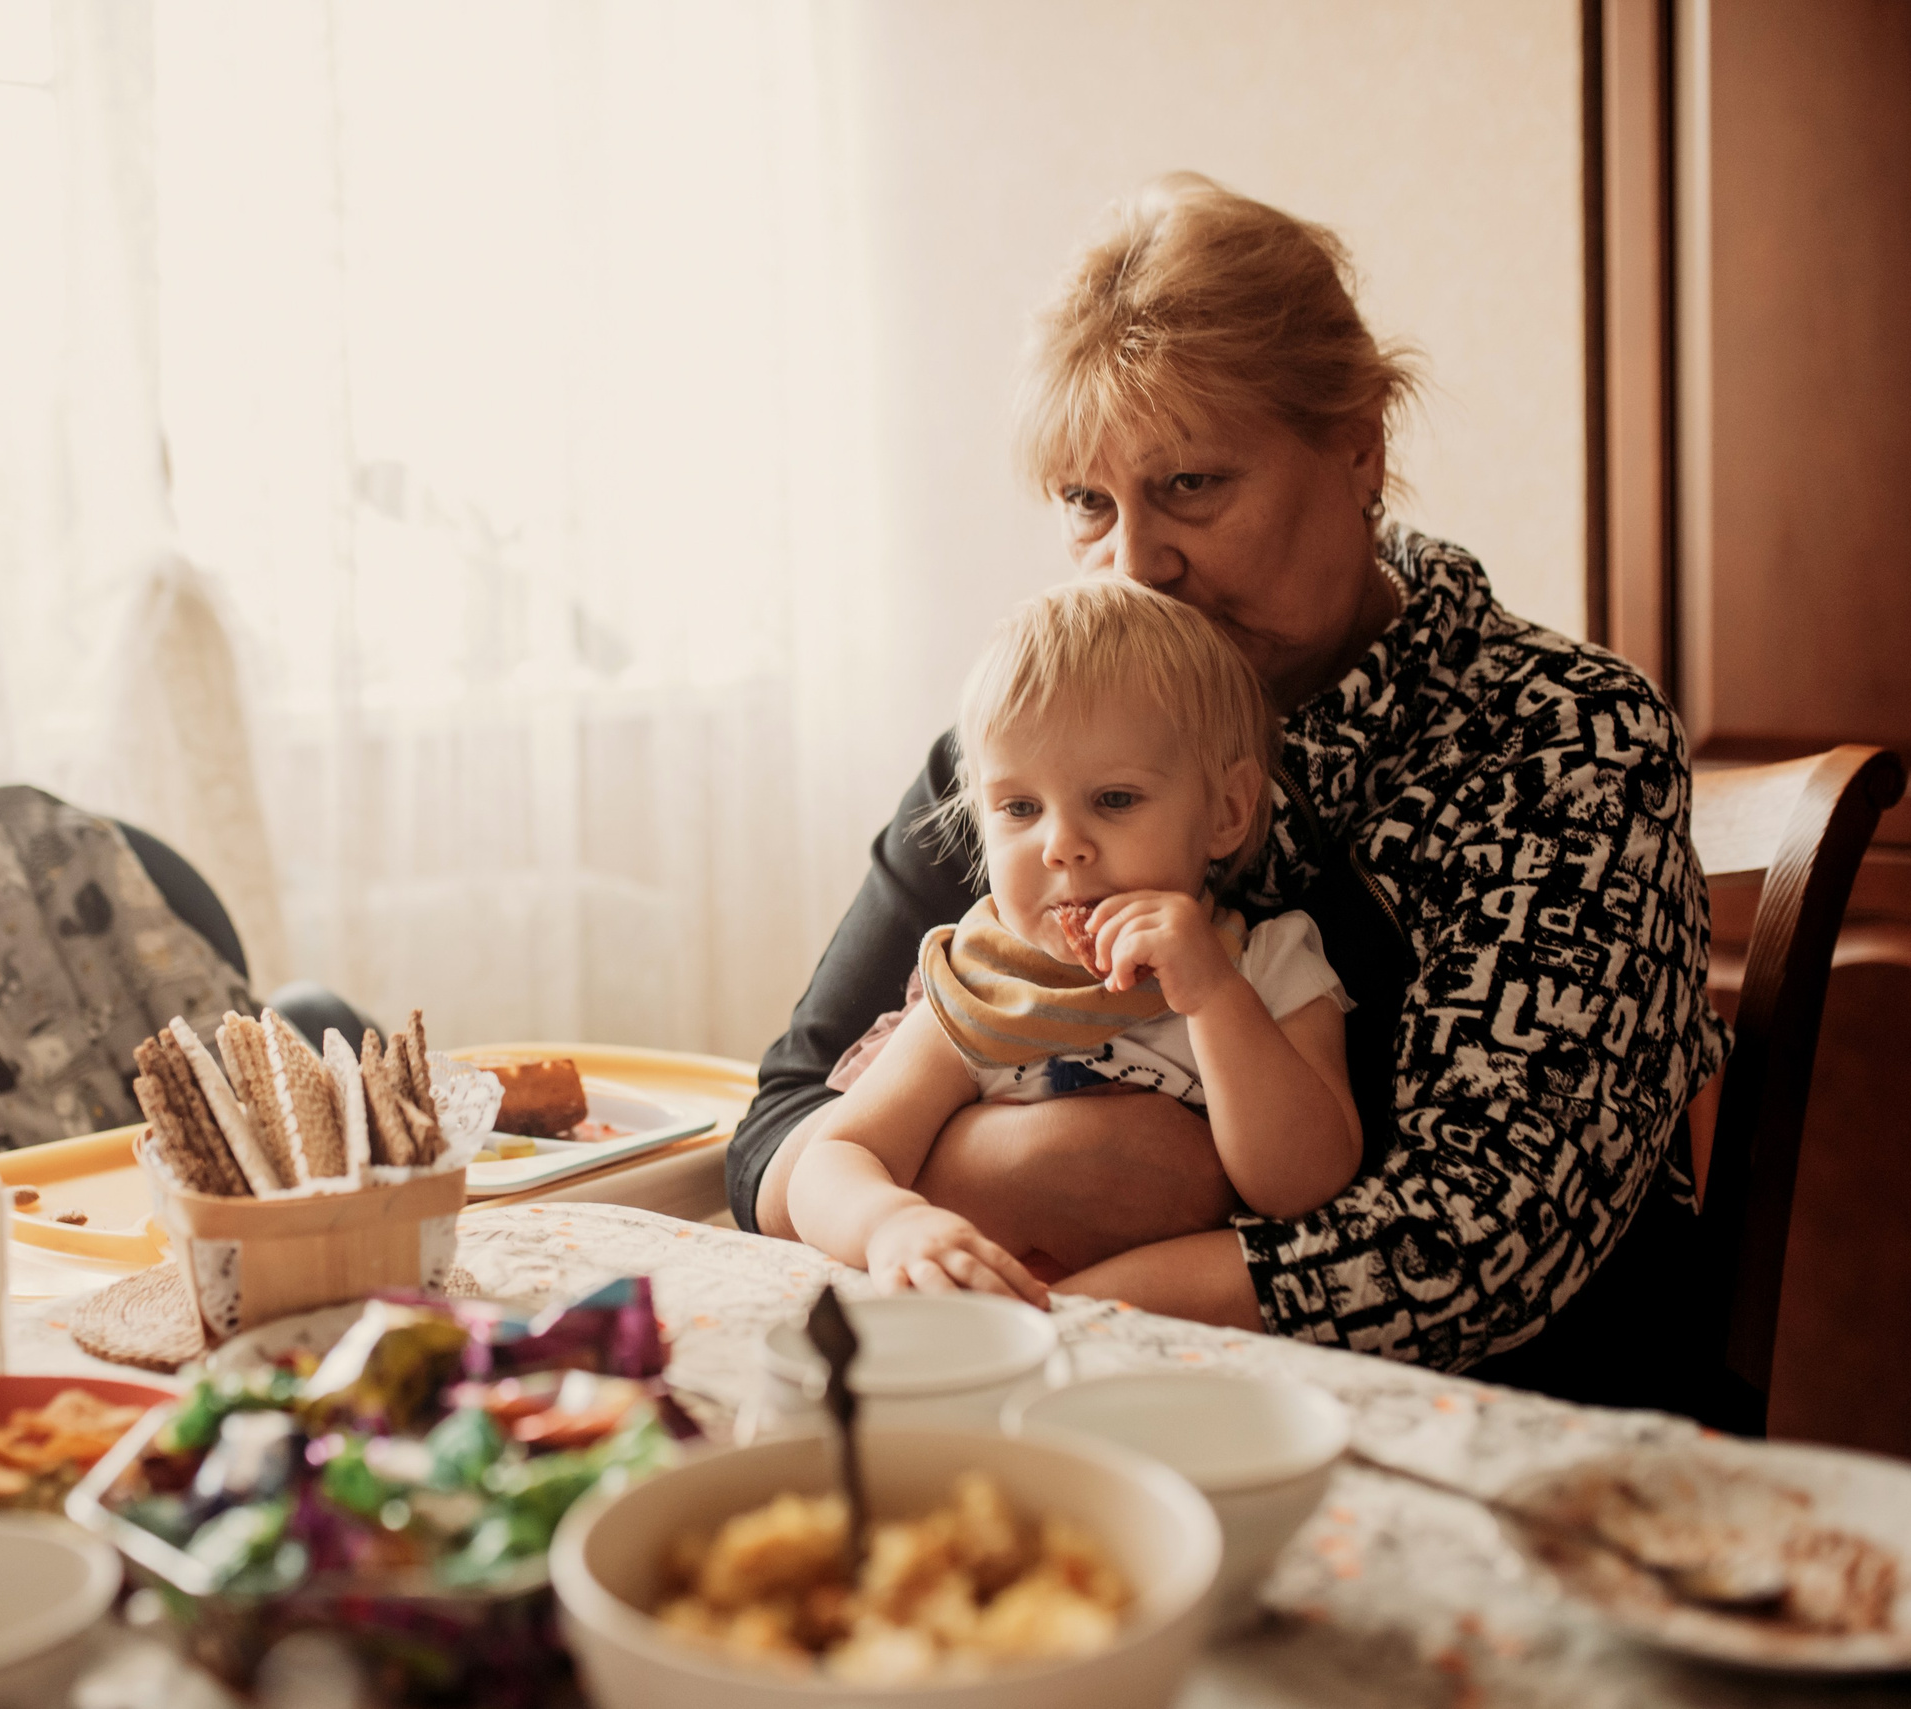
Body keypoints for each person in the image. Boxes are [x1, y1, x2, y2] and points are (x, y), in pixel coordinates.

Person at [731, 174, 1730, 1375]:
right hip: (1089, 1390)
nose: (1134, 563)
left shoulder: (1558, 743)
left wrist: (1060, 1304)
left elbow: (1470, 1246)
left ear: (1358, 447)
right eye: (1087, 502)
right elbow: (780, 1126)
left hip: (1491, 1411)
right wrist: (1038, 1170)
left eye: (1190, 485)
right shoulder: (1038, 753)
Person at [790, 577, 1359, 1303]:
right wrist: (890, 1223)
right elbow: (831, 1159)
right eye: (1019, 807)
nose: (1061, 845)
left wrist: (1214, 996)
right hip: (989, 1332)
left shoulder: (1268, 966)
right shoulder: (984, 990)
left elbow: (1304, 1186)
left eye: (1114, 799)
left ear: (1227, 810)